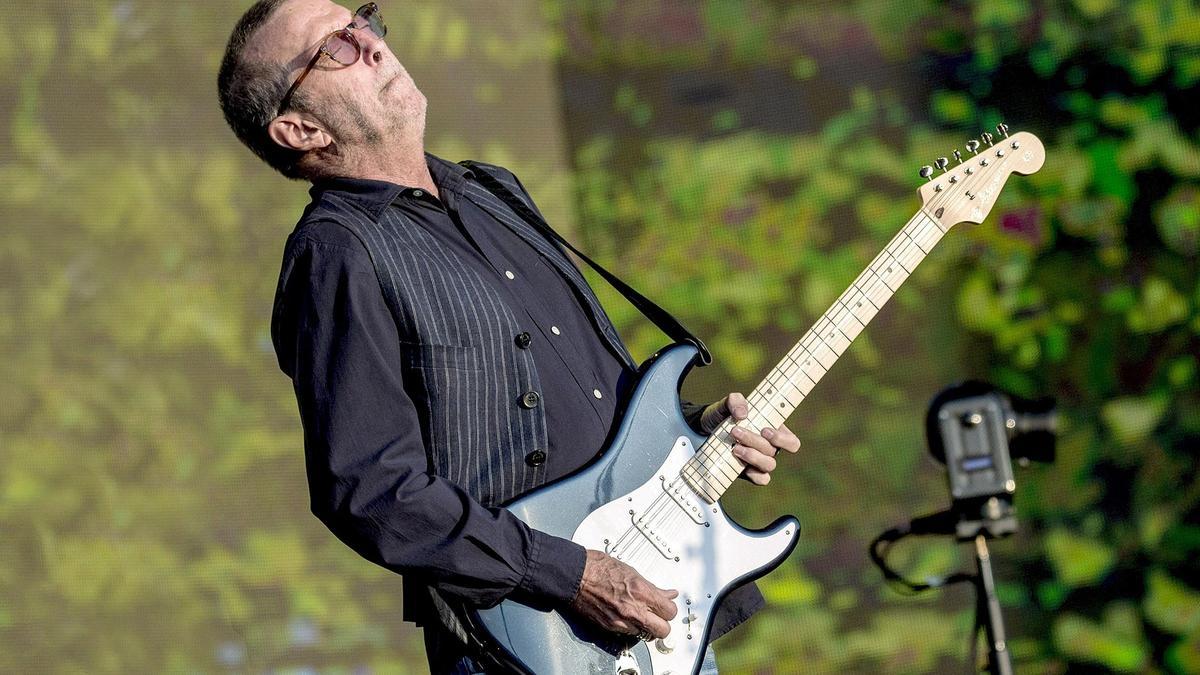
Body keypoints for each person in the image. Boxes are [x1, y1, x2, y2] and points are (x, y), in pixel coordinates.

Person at [217, 1, 802, 672]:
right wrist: (570, 573)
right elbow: (371, 490)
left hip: (650, 633)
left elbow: (587, 415)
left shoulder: (494, 190)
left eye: (363, 19)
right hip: (524, 647)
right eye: (334, 48)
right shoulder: (338, 252)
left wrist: (697, 434)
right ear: (299, 128)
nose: (371, 43)